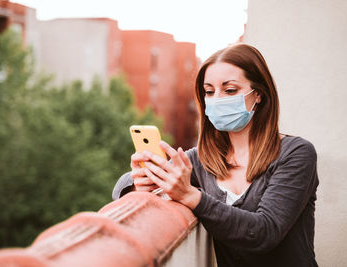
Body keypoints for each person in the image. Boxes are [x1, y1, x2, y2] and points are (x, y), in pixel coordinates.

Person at [112, 43, 319, 267]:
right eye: (209, 92)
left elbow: (263, 233)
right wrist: (141, 182)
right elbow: (120, 188)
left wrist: (191, 196)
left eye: (229, 90)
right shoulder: (201, 161)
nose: (217, 99)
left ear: (258, 94)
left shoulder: (296, 153)